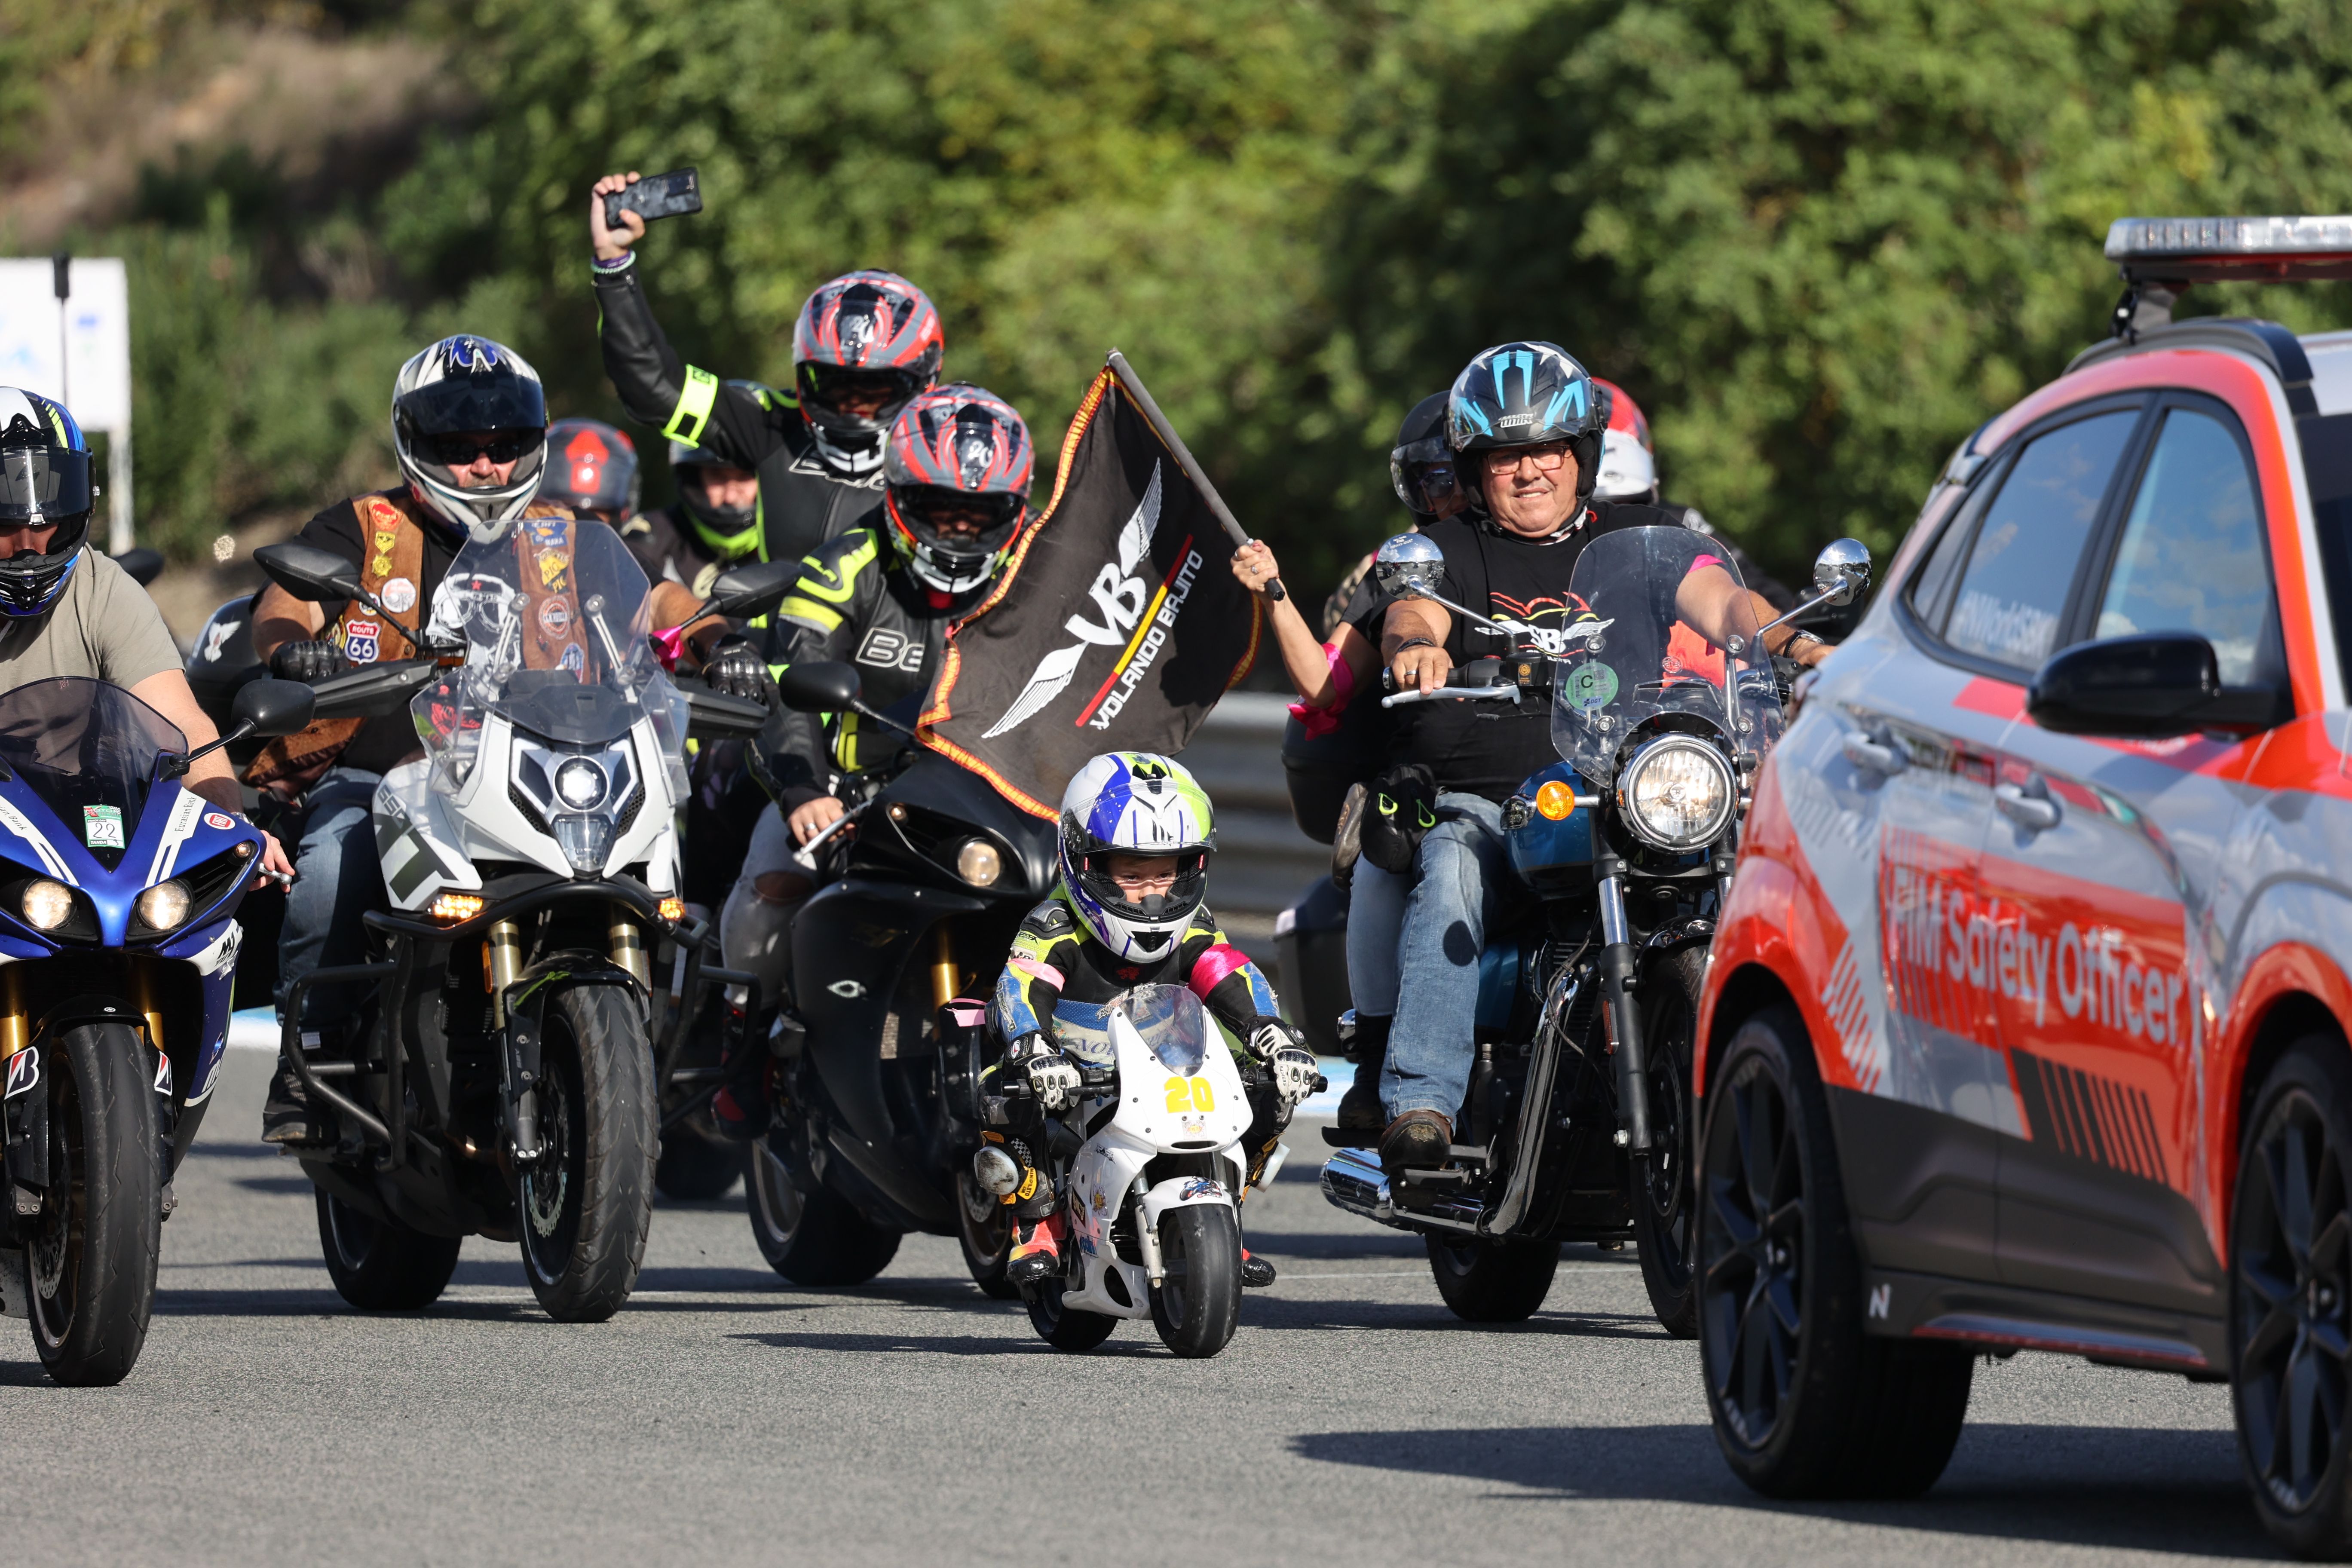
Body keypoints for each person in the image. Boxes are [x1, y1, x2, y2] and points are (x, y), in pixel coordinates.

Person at [1370, 342, 1825, 1172]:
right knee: (1450, 871)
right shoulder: (1452, 552)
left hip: (1628, 782)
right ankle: (1421, 1100)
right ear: (1477, 468)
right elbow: (1413, 614)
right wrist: (1417, 651)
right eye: (1508, 454)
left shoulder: (1640, 537)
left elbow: (1721, 598)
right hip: (1498, 800)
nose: (1530, 470)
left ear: (1580, 454)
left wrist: (1789, 640)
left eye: (1548, 448)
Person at [248, 334, 572, 1144]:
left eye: (503, 447)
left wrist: (711, 638)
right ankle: (309, 1051)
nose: (486, 467)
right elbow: (284, 600)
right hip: (384, 780)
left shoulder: (560, 535)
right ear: (416, 445)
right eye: (459, 450)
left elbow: (660, 596)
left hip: (532, 782)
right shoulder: (365, 526)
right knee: (330, 861)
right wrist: (293, 646)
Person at [709, 383, 1035, 1137]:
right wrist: (799, 789)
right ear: (896, 497)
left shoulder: (1039, 579)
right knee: (771, 880)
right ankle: (745, 1045)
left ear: (1011, 511)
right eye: (939, 507)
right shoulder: (842, 566)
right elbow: (790, 683)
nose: (958, 528)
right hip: (857, 797)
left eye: (978, 514)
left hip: (999, 800)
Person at [984, 751, 1320, 1286]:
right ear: (1085, 863)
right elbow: (1018, 987)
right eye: (1132, 873)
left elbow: (1229, 971)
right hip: (1071, 1067)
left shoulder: (1194, 928)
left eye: (1166, 873)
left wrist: (1272, 1033)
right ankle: (1038, 1219)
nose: (1151, 892)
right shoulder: (1054, 924)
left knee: (1272, 1086)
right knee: (1002, 1091)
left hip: (1165, 1058)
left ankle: (1226, 1217)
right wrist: (1033, 1047)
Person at [0, 387, 292, 876]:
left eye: (49, 513)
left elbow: (183, 723)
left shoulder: (102, 588)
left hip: (83, 840)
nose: (30, 541)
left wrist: (229, 826)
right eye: (5, 517)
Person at [589, 171, 939, 570]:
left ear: (922, 382)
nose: (852, 407)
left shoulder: (950, 451)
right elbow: (651, 384)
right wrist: (612, 263)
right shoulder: (772, 424)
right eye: (836, 386)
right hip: (782, 633)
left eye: (875, 391)